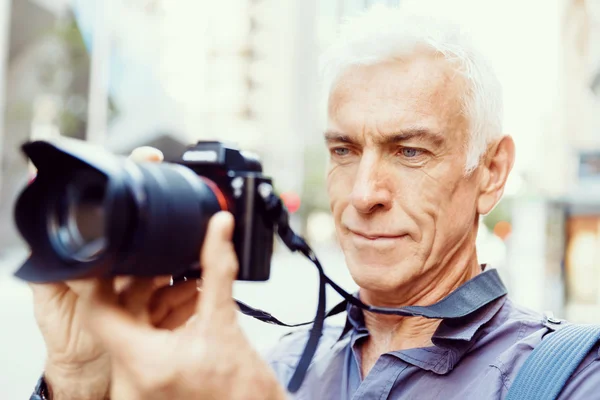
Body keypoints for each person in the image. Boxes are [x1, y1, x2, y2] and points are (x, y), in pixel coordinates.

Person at [29, 6, 600, 400]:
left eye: (409, 151)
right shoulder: (280, 365)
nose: (362, 194)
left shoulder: (570, 377)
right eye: (344, 149)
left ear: (491, 172)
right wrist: (77, 379)